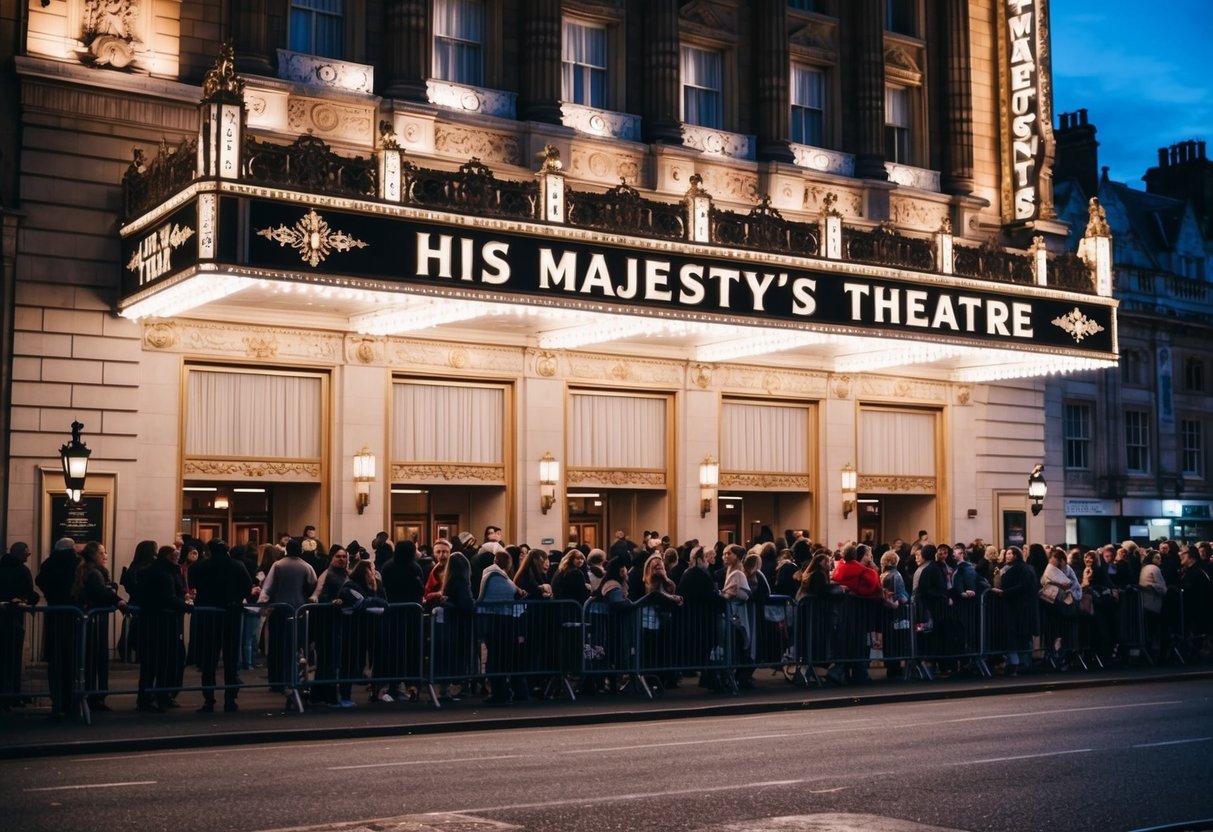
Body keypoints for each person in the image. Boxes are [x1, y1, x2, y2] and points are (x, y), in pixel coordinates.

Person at [190, 539, 253, 712]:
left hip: (209, 615)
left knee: (209, 659)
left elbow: (193, 585)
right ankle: (230, 698)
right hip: (231, 613)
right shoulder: (237, 565)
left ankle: (208, 699)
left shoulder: (201, 567)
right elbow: (248, 588)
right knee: (231, 658)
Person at [258, 538, 317, 699]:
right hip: (299, 609)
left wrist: (262, 606)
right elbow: (313, 586)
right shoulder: (306, 566)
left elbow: (268, 588)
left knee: (277, 646)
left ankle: (276, 680)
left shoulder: (278, 565)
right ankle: (294, 679)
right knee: (297, 646)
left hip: (280, 609)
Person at [72, 541, 126, 712]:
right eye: (102, 553)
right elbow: (101, 591)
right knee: (96, 660)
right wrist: (117, 599)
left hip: (90, 621)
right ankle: (96, 697)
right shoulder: (94, 573)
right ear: (94, 554)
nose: (105, 556)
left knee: (89, 661)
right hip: (93, 623)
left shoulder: (86, 570)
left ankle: (92, 695)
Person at [137, 544, 192, 712]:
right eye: (175, 555)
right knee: (164, 661)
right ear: (169, 556)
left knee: (151, 663)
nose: (178, 558)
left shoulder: (151, 570)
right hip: (165, 622)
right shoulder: (166, 573)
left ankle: (147, 697)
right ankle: (160, 696)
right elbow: (169, 597)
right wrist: (187, 606)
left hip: (151, 621)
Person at [36, 537, 79, 720]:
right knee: (73, 661)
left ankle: (57, 701)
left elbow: (40, 580)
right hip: (73, 615)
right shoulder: (76, 563)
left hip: (55, 614)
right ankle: (71, 702)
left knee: (55, 662)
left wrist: (51, 595)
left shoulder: (49, 563)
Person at [0, 542, 38, 710]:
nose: (28, 555)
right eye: (26, 552)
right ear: (20, 553)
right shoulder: (23, 571)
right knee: (14, 657)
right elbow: (30, 593)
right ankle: (14, 693)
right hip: (15, 618)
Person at [990, 547, 1035, 675]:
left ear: (1016, 555)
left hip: (1016, 606)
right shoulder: (1021, 568)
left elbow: (1021, 586)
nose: (1007, 556)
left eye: (1010, 553)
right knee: (1021, 636)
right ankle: (1021, 662)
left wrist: (1004, 592)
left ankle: (1019, 663)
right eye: (1007, 554)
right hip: (1017, 606)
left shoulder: (1019, 569)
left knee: (1017, 635)